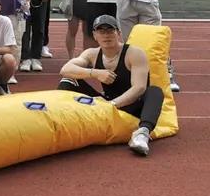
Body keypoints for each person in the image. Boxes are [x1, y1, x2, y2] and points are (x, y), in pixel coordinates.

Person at [58, 14, 164, 156]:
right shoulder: (91, 54)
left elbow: (139, 88)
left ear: (118, 33)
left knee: (155, 91)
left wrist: (111, 105)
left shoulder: (134, 53)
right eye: (101, 31)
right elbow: (65, 69)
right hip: (107, 104)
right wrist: (95, 73)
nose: (106, 35)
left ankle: (142, 134)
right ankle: (64, 122)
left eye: (110, 30)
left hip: (131, 106)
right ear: (95, 35)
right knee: (68, 81)